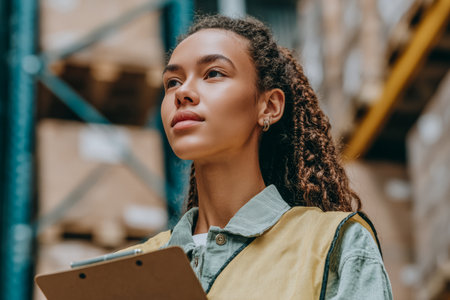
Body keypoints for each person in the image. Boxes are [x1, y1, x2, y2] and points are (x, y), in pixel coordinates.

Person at [125, 15, 393, 299]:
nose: (183, 93)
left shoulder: (334, 244)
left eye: (213, 73)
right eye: (173, 82)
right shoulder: (130, 268)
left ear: (269, 106)